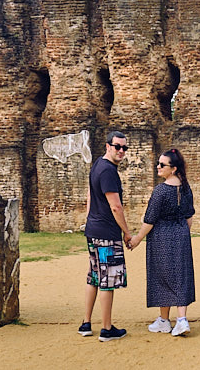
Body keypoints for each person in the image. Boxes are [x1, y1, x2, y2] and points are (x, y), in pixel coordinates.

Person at [129, 148, 195, 337]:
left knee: (161, 276)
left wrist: (137, 239)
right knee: (180, 274)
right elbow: (189, 217)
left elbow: (150, 219)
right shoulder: (185, 188)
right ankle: (177, 319)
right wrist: (181, 233)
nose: (158, 167)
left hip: (162, 237)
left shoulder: (161, 191)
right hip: (181, 234)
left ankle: (168, 320)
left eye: (162, 165)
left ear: (173, 169)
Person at [78, 131, 133, 341]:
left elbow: (90, 197)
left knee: (94, 276)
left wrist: (89, 220)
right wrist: (126, 233)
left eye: (124, 148)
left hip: (94, 230)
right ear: (108, 146)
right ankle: (107, 328)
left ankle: (86, 323)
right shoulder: (108, 171)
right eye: (117, 146)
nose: (121, 151)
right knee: (107, 279)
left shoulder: (97, 166)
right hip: (107, 233)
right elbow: (116, 207)